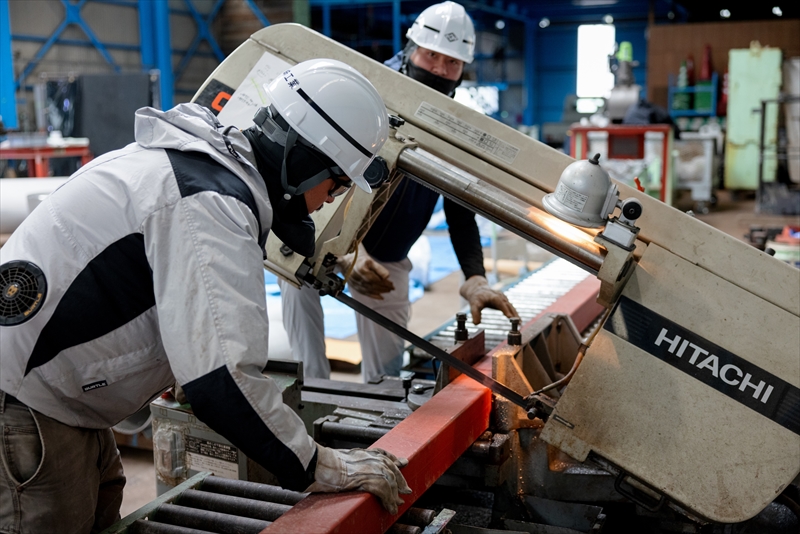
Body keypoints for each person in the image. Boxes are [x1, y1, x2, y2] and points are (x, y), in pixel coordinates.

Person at [0, 59, 411, 534]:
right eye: (336, 185)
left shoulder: (200, 170)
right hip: (31, 405)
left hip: (64, 402)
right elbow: (221, 381)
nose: (329, 202)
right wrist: (323, 467)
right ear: (303, 162)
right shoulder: (209, 203)